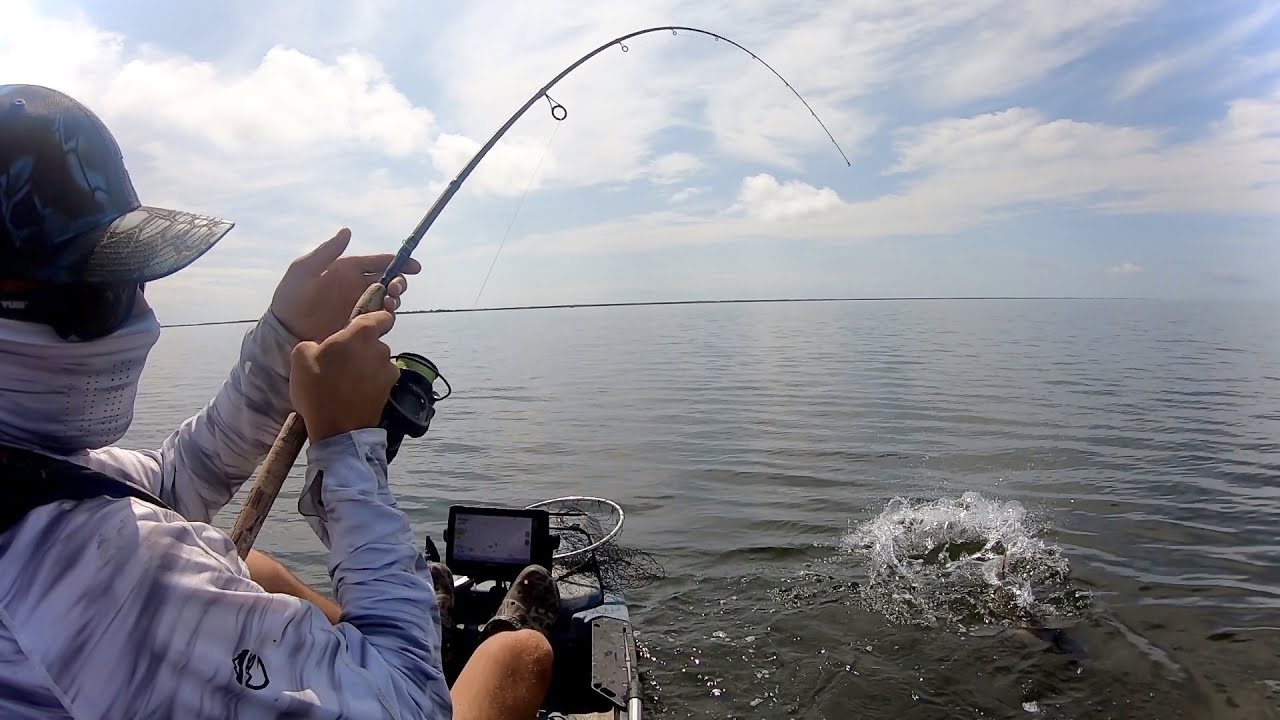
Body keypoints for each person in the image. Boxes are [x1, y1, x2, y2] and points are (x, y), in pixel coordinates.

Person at [0, 83, 560, 719]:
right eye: (95, 292)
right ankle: (423, 620)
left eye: (135, 277)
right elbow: (413, 706)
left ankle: (368, 632)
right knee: (520, 655)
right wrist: (348, 452)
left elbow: (168, 483)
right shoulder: (90, 566)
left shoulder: (32, 476)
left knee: (257, 567)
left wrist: (285, 340)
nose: (142, 309)